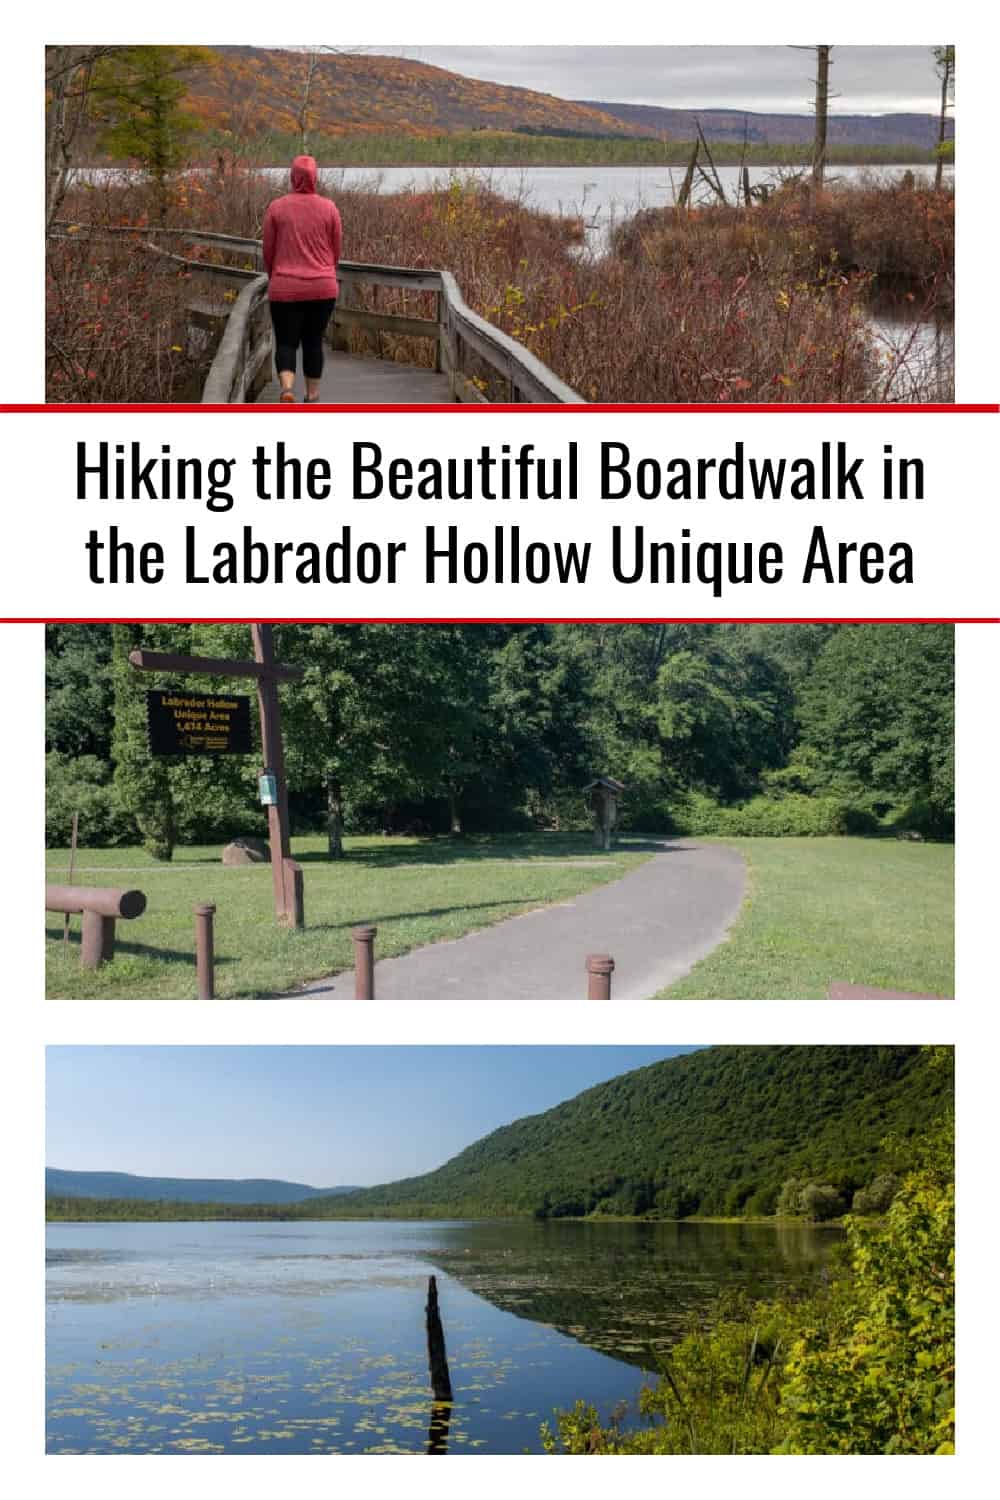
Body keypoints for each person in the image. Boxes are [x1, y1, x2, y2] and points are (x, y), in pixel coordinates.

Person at [262, 155, 343, 403]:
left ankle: (287, 389)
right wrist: (326, 270)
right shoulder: (329, 208)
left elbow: (269, 250)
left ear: (292, 177)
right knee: (313, 342)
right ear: (315, 177)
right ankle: (312, 394)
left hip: (285, 287)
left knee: (285, 342)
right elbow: (335, 249)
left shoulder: (276, 208)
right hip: (322, 287)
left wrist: (274, 276)